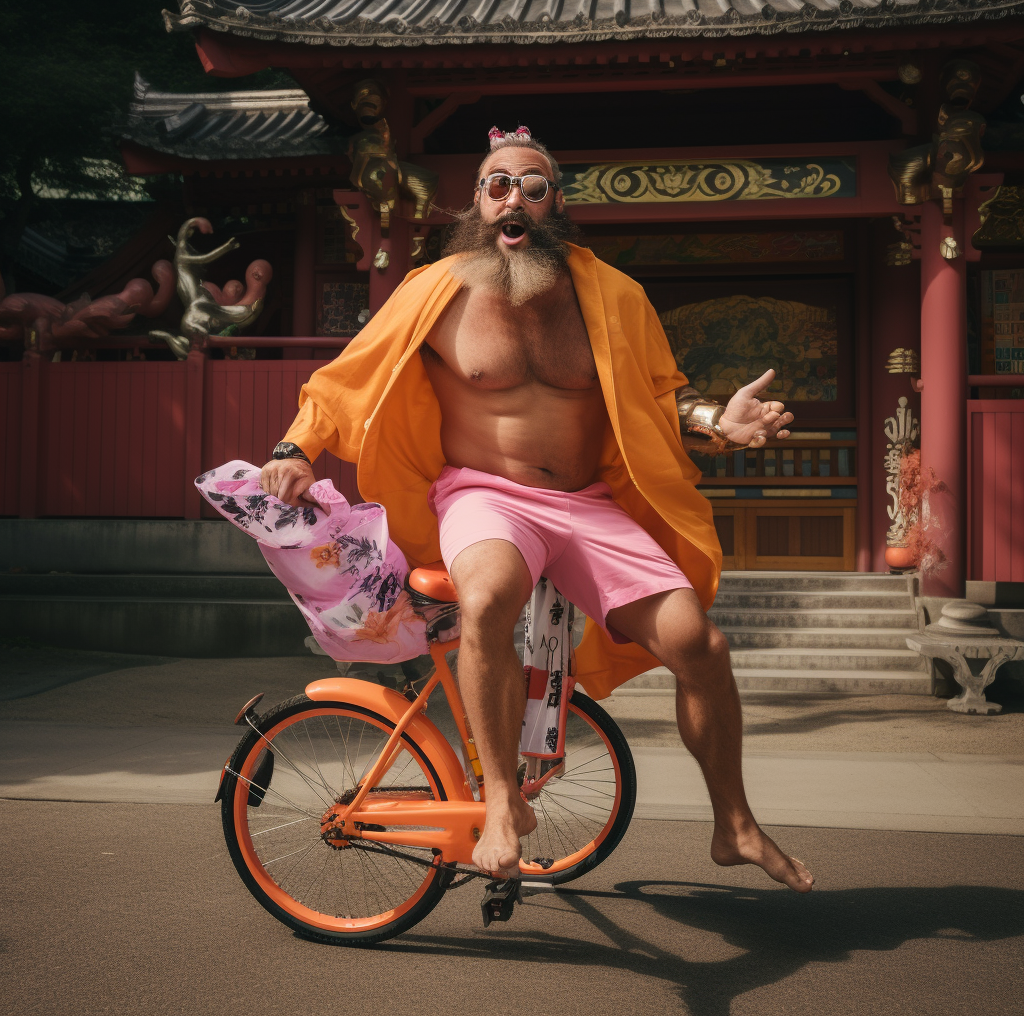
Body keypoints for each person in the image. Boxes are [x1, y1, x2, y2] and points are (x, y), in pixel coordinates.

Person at [261, 126, 814, 892]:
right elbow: (343, 380)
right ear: (475, 204)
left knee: (700, 645)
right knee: (487, 600)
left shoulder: (611, 295)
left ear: (555, 205)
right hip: (483, 494)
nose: (512, 196)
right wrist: (294, 448)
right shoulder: (434, 289)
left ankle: (735, 826)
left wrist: (719, 422)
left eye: (532, 184)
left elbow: (665, 392)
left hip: (586, 503)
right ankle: (497, 803)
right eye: (496, 184)